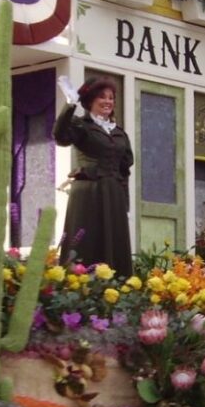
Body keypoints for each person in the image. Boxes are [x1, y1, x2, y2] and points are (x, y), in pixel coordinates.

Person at [54, 75, 133, 276]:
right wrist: (71, 104)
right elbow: (60, 136)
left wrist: (125, 203)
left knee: (114, 244)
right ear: (91, 102)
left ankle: (117, 292)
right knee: (87, 242)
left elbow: (125, 170)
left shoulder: (120, 133)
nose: (108, 102)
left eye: (111, 98)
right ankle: (81, 287)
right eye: (102, 97)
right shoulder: (82, 125)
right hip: (88, 194)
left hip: (113, 194)